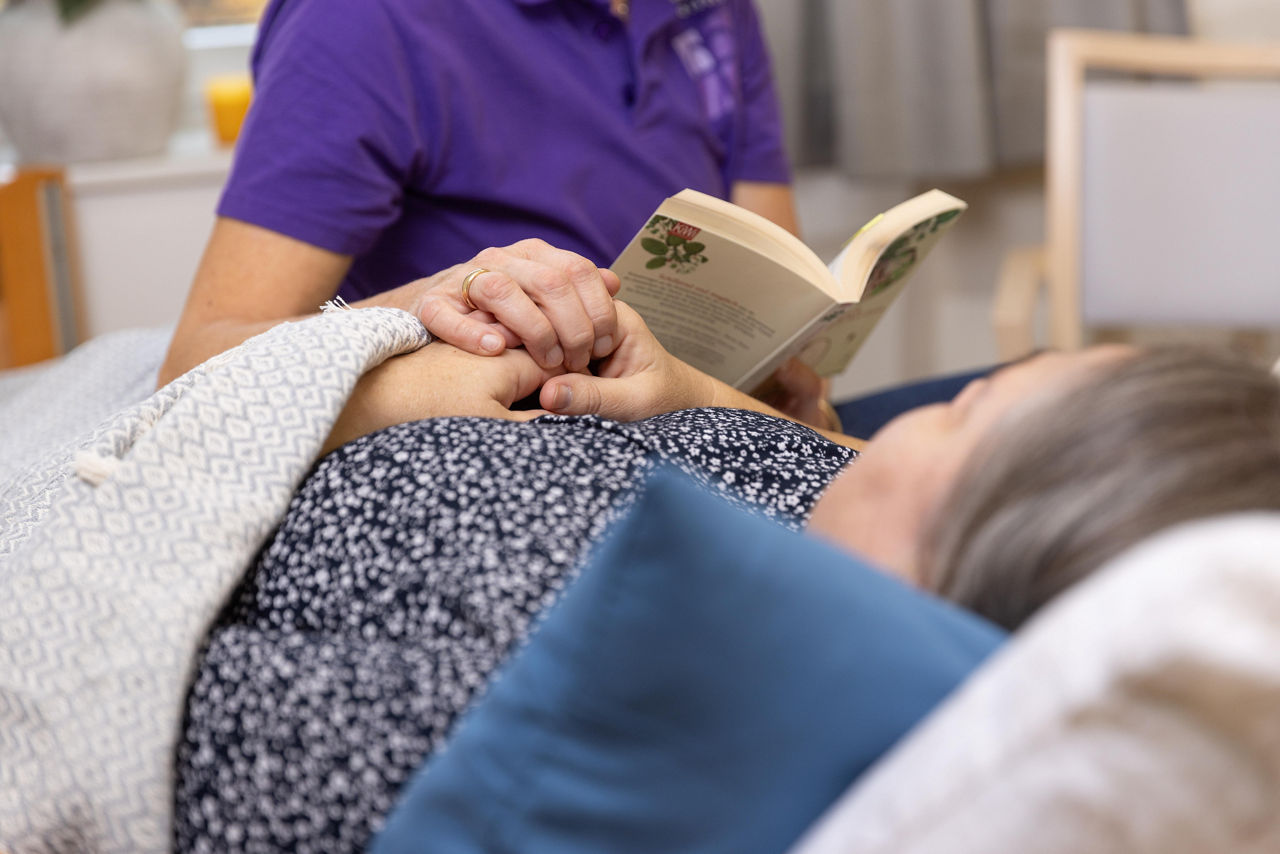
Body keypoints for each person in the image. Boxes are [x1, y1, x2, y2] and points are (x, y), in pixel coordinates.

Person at [174, 304, 1280, 853]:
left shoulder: (542, 673)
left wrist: (370, 388)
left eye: (959, 409)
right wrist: (695, 387)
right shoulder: (845, 515)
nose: (879, 439)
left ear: (962, 560)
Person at [156, 0, 821, 417]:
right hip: (538, 450)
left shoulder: (716, 13)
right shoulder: (361, 19)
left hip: (704, 427)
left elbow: (777, 288)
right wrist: (428, 302)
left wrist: (774, 405)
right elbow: (196, 365)